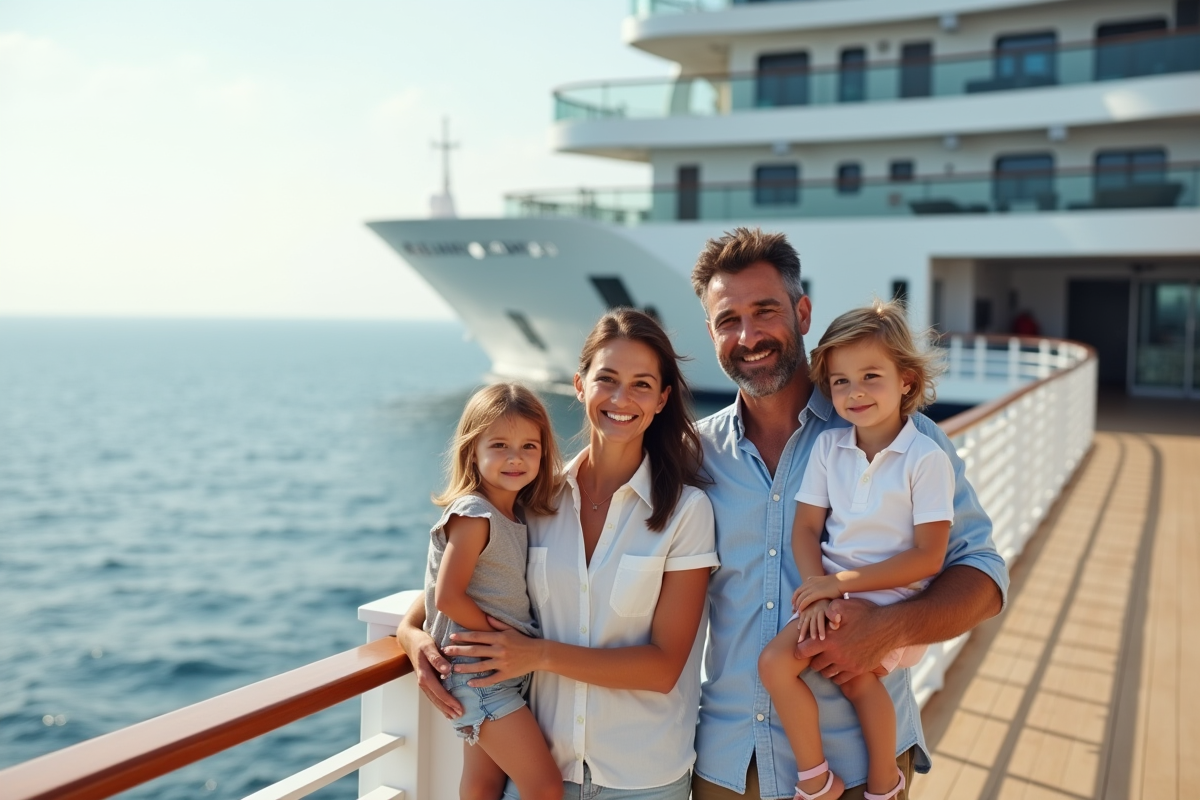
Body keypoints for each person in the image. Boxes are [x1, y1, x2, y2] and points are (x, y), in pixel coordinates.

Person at [689, 228, 1008, 800]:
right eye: (726, 320)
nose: (748, 335)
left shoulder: (903, 439)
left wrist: (888, 628)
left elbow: (983, 579)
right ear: (711, 332)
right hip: (731, 769)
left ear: (803, 311)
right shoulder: (692, 455)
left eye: (765, 311)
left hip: (863, 766)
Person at [397, 308, 719, 800]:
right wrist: (411, 638)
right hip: (544, 774)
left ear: (662, 399)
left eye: (641, 385)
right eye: (606, 379)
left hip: (643, 781)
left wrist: (537, 654)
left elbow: (663, 668)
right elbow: (446, 590)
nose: (620, 399)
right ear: (579, 385)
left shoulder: (686, 512)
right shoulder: (532, 500)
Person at [758, 302, 953, 800]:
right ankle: (858, 782)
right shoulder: (829, 448)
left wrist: (838, 585)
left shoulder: (927, 458)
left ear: (906, 380)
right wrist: (818, 594)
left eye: (870, 376)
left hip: (892, 599)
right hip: (834, 595)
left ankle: (827, 782)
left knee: (796, 668)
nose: (855, 392)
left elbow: (929, 557)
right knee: (850, 681)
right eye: (840, 382)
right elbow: (804, 530)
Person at [423, 382, 564, 800]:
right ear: (473, 451)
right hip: (481, 675)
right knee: (545, 787)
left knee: (484, 785)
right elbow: (447, 596)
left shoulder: (513, 513)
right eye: (499, 445)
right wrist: (505, 640)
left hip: (494, 672)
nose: (515, 457)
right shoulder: (474, 514)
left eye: (529, 446)